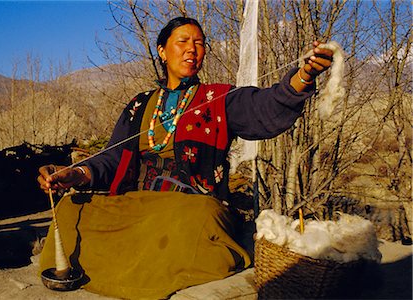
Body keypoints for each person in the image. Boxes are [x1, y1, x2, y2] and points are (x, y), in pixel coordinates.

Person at [37, 17, 333, 299]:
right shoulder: (139, 105)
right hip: (139, 206)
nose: (193, 49)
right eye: (183, 41)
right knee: (71, 208)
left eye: (200, 43)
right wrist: (75, 174)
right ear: (163, 52)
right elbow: (110, 160)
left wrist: (303, 77)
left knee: (194, 218)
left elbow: (265, 109)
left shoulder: (219, 99)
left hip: (190, 207)